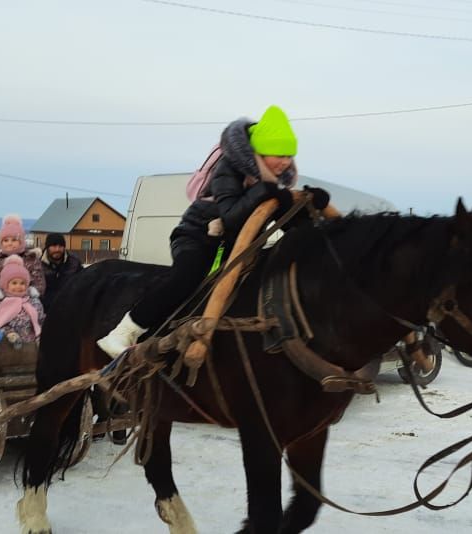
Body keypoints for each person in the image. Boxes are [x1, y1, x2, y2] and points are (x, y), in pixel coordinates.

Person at [97, 105, 328, 357]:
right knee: (187, 276)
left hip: (235, 248)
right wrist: (265, 191)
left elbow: (291, 225)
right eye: (278, 154)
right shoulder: (229, 168)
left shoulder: (274, 184)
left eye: (289, 155)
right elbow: (230, 215)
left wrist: (311, 204)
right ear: (260, 151)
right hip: (196, 236)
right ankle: (123, 332)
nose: (285, 162)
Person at [0, 255, 45, 347]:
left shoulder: (33, 302)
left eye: (22, 283)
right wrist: (8, 332)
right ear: (5, 284)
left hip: (31, 349)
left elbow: (40, 322)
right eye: (14, 283)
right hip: (6, 349)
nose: (18, 286)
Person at [0, 215, 46, 298]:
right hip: (1, 303)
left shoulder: (31, 259)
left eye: (14, 240)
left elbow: (39, 282)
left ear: (21, 241)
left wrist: (28, 292)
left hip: (26, 300)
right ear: (1, 242)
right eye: (6, 240)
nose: (9, 243)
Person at [40, 233, 82, 311]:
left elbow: (83, 283)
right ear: (47, 247)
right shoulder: (38, 264)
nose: (57, 249)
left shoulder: (74, 263)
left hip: (70, 308)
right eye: (54, 246)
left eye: (60, 246)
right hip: (45, 310)